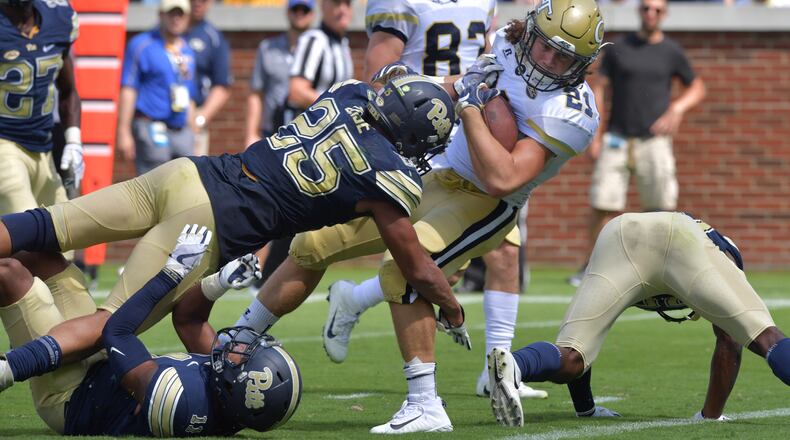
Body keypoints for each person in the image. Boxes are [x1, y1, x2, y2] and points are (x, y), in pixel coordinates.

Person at [230, 0, 605, 433]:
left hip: (484, 203)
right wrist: (410, 84)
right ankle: (240, 339)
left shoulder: (572, 110)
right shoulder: (507, 44)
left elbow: (503, 177)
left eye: (564, 57)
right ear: (532, 33)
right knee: (313, 243)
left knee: (404, 272)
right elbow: (458, 83)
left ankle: (426, 404)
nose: (547, 61)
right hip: (439, 170)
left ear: (585, 63)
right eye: (544, 46)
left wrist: (468, 106)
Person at [0, 75, 463, 380]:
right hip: (209, 223)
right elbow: (418, 268)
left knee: (45, 224)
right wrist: (452, 308)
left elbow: (389, 82)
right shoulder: (391, 178)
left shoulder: (351, 92)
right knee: (112, 325)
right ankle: (7, 370)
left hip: (186, 173)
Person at [331, 0, 546, 401]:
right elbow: (376, 75)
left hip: (468, 127)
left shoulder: (485, 3)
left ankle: (497, 372)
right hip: (423, 129)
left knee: (502, 252)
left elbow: (489, 54)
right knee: (420, 262)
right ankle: (333, 305)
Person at [488, 212, 790, 426]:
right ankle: (516, 368)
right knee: (767, 338)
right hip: (682, 239)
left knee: (572, 354)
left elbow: (586, 344)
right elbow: (729, 340)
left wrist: (586, 409)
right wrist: (711, 415)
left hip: (621, 232)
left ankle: (514, 365)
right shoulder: (725, 255)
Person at [0, 225, 302, 435]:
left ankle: (6, 370)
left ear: (240, 385)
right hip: (103, 368)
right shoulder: (228, 397)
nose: (241, 351)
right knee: (44, 258)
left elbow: (116, 331)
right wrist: (219, 282)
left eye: (245, 360)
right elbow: (189, 319)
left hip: (70, 397)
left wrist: (171, 273)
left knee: (9, 276)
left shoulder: (181, 401)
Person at [568, 0, 706, 287]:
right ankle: (593, 265)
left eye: (657, 10)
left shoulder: (671, 51)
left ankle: (657, 270)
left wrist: (676, 110)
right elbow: (600, 88)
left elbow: (697, 86)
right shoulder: (619, 48)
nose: (650, 14)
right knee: (603, 204)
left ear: (664, 13)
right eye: (646, 8)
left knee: (660, 209)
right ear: (639, 11)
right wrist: (595, 134)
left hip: (654, 141)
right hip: (616, 137)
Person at [256, 0, 355, 286]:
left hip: (321, 144)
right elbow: (297, 90)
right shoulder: (315, 39)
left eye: (347, 4)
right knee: (286, 214)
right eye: (336, 4)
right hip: (300, 142)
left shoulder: (342, 45)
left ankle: (267, 279)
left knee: (297, 218)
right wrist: (338, 110)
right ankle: (260, 278)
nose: (342, 10)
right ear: (323, 7)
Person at [0, 0, 83, 215]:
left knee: (65, 233)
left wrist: (73, 141)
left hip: (43, 149)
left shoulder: (59, 18)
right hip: (4, 145)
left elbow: (68, 90)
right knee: (28, 231)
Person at [116, 0, 197, 175]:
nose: (176, 19)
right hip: (150, 126)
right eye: (171, 13)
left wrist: (193, 132)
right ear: (161, 15)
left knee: (186, 183)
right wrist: (123, 130)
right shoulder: (141, 45)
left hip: (181, 130)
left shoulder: (188, 51)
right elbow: (129, 88)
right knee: (155, 184)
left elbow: (188, 94)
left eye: (180, 14)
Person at [244, 0, 314, 147]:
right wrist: (251, 134)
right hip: (273, 134)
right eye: (296, 10)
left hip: (310, 135)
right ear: (288, 12)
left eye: (305, 10)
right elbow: (256, 93)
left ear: (313, 14)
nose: (299, 15)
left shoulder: (321, 50)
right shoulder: (268, 48)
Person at [185, 0, 232, 156]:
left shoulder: (213, 37)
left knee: (191, 174)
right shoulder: (162, 32)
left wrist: (200, 119)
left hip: (195, 114)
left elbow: (222, 85)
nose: (198, 3)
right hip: (162, 114)